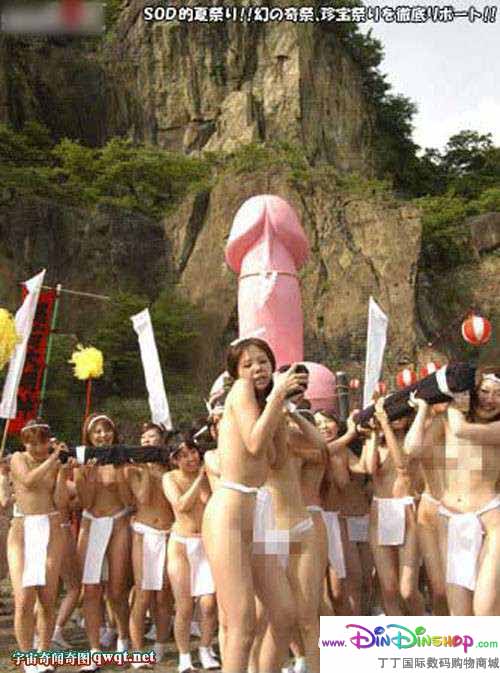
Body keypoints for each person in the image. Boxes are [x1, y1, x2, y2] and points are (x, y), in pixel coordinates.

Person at [202, 338, 304, 673]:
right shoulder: (241, 391)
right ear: (236, 373)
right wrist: (276, 397)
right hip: (229, 511)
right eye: (247, 364)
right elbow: (254, 442)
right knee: (242, 622)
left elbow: (276, 459)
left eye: (263, 362)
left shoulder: (263, 404)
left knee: (285, 612)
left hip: (257, 512)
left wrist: (280, 408)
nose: (257, 369)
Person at [437, 369, 500, 615]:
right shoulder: (449, 418)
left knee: (485, 611)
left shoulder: (486, 426)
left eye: (498, 394)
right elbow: (412, 448)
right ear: (474, 392)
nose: (490, 399)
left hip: (490, 518)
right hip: (451, 516)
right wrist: (421, 409)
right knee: (460, 614)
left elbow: (461, 430)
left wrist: (454, 402)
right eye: (484, 391)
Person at [8, 419, 68, 673]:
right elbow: (29, 481)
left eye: (41, 442)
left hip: (50, 527)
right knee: (24, 599)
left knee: (46, 598)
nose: (36, 448)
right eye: (31, 443)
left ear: (48, 441)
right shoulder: (18, 459)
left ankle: (43, 652)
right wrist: (53, 458)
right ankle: (26, 656)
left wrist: (63, 470)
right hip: (22, 529)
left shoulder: (54, 464)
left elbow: (61, 501)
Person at [75, 413, 132, 672]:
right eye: (97, 431)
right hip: (91, 523)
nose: (102, 435)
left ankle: (123, 637)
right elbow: (86, 502)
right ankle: (94, 649)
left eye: (106, 430)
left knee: (117, 589)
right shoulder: (82, 463)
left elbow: (129, 500)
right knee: (91, 589)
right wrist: (86, 478)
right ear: (89, 436)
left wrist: (119, 474)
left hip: (118, 522)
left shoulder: (122, 461)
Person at [163, 434, 219, 673]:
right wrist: (198, 479)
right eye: (183, 455)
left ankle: (205, 648)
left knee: (208, 604)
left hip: (205, 543)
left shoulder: (209, 476)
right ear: (174, 460)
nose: (190, 458)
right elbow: (182, 505)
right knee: (184, 605)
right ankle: (184, 656)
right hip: (181, 545)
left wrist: (206, 476)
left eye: (193, 452)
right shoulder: (170, 478)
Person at [365, 398, 425, 616]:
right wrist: (374, 433)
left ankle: (424, 629)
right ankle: (397, 633)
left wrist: (386, 425)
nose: (397, 417)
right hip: (380, 511)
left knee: (407, 590)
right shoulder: (378, 443)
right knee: (389, 588)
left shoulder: (412, 440)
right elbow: (369, 468)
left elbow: (402, 465)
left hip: (406, 510)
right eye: (392, 413)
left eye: (401, 413)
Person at [126, 422, 175, 669]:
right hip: (144, 533)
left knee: (164, 594)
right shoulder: (133, 470)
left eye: (152, 436)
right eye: (143, 437)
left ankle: (159, 645)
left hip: (168, 533)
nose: (147, 440)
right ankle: (137, 652)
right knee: (143, 593)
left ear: (161, 440)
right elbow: (143, 497)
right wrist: (145, 468)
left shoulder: (171, 468)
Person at [316, 410, 374, 616]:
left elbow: (363, 468)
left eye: (328, 421)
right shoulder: (316, 450)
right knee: (335, 588)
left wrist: (370, 436)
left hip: (349, 518)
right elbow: (324, 453)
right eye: (318, 424)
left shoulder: (343, 451)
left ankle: (359, 624)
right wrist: (350, 433)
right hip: (325, 520)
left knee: (359, 578)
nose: (324, 427)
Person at [404, 394, 449, 615]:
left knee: (456, 588)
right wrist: (422, 409)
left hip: (457, 508)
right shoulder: (423, 425)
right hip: (429, 507)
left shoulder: (457, 422)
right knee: (439, 590)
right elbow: (412, 449)